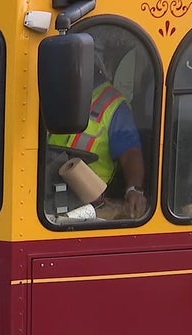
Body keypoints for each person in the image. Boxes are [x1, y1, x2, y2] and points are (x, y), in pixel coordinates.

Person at [48, 45, 147, 219]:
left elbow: (130, 152)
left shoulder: (114, 105)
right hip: (48, 185)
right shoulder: (60, 94)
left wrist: (134, 189)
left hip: (88, 198)